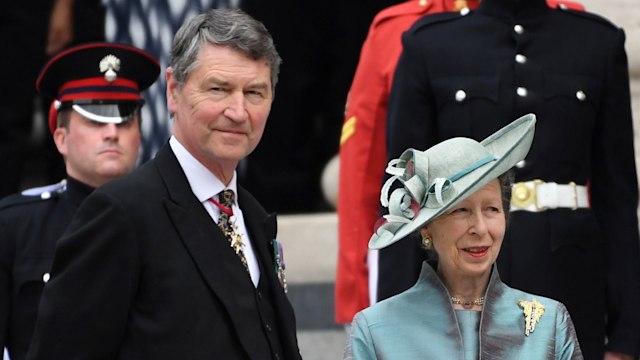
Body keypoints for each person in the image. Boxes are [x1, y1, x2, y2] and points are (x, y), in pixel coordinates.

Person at [26, 9, 302, 360]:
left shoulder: (252, 215)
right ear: (173, 91)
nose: (238, 111)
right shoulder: (120, 214)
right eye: (218, 89)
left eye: (254, 93)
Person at [380, 0, 640, 358]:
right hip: (462, 281)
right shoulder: (430, 46)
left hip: (570, 276)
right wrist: (394, 324)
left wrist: (627, 336)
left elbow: (619, 199)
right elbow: (406, 200)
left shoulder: (596, 43)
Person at [335, 0, 584, 325]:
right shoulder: (397, 27)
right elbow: (369, 169)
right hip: (446, 275)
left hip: (557, 261)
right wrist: (359, 286)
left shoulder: (565, 21)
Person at [345, 114, 583, 359]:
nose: (480, 228)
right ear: (426, 228)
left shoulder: (549, 323)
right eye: (461, 210)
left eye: (491, 209)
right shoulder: (377, 330)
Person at [0, 42, 159, 360]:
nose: (112, 132)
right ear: (61, 138)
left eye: (125, 121)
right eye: (96, 120)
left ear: (139, 136)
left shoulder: (170, 221)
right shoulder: (15, 226)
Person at [0, 0, 106, 198]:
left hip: (61, 14)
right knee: (8, 124)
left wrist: (63, 6)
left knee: (73, 120)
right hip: (15, 14)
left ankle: (71, 216)